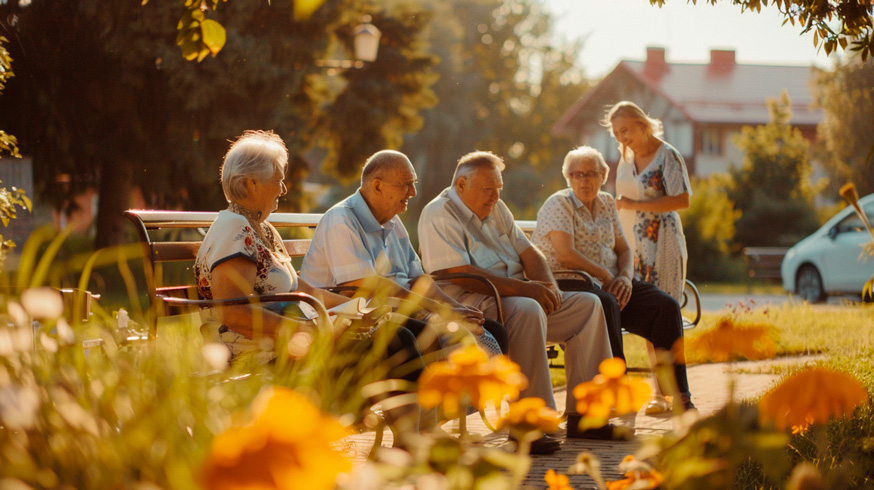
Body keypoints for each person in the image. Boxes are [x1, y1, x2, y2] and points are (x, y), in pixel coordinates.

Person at [418, 150, 616, 451]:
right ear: (461, 185)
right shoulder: (439, 213)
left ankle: (587, 415)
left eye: (498, 189)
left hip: (516, 296)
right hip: (473, 303)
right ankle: (529, 424)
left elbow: (530, 253)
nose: (495, 197)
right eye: (488, 190)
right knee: (528, 308)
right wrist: (526, 290)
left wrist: (549, 287)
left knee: (588, 305)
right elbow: (459, 274)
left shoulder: (497, 208)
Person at [194, 131, 425, 381]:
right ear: (252, 183)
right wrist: (309, 331)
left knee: (409, 329)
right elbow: (234, 313)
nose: (283, 189)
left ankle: (412, 417)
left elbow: (303, 290)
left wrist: (358, 310)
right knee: (394, 340)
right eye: (278, 179)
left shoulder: (262, 229)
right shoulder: (234, 230)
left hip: (291, 340)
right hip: (263, 353)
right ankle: (407, 418)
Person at [531, 146, 694, 412]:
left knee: (665, 306)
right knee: (607, 302)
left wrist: (626, 279)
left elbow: (625, 249)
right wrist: (607, 275)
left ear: (603, 176)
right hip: (570, 283)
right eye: (578, 174)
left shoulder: (607, 202)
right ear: (568, 178)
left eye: (591, 173)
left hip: (609, 284)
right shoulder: (559, 203)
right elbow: (565, 254)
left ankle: (677, 394)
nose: (585, 180)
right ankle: (618, 390)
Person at [300, 149, 508, 358]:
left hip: (400, 311)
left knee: (495, 330)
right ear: (377, 186)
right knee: (452, 334)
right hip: (355, 317)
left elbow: (419, 278)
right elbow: (369, 286)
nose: (413, 192)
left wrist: (454, 307)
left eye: (414, 183)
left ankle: (492, 387)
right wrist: (437, 309)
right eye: (405, 184)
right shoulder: (341, 219)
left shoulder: (393, 220)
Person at [604, 101, 694, 413]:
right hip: (634, 244)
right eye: (617, 133)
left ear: (643, 124)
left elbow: (683, 199)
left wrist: (633, 205)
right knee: (647, 317)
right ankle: (659, 394)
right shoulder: (625, 157)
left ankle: (674, 393)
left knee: (666, 314)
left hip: (664, 242)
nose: (622, 137)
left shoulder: (668, 155)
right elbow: (621, 201)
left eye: (626, 130)